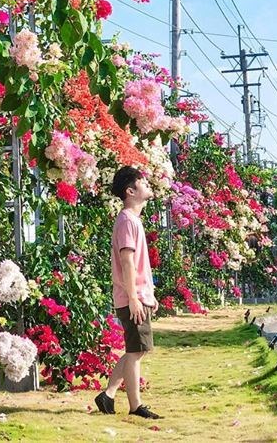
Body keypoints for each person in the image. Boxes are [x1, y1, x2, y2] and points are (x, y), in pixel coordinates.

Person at [94, 165, 163, 420]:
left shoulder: (132, 220)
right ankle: (135, 405)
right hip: (131, 297)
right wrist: (134, 298)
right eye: (142, 182)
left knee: (138, 349)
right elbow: (127, 262)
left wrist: (148, 295)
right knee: (136, 351)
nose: (147, 184)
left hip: (138, 295)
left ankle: (108, 394)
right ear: (130, 191)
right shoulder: (126, 221)